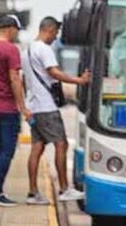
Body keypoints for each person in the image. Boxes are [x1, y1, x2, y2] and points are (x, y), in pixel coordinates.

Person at [22, 17, 90, 205]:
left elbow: (23, 80)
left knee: (37, 148)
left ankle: (33, 193)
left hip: (34, 106)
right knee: (61, 144)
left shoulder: (26, 50)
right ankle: (64, 189)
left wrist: (26, 105)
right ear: (49, 29)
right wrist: (79, 81)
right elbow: (54, 73)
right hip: (46, 107)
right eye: (56, 33)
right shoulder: (44, 49)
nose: (55, 37)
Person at [0, 15, 30, 207]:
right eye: (17, 30)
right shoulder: (11, 49)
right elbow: (15, 79)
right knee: (7, 150)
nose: (17, 34)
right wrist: (23, 107)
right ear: (10, 28)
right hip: (6, 108)